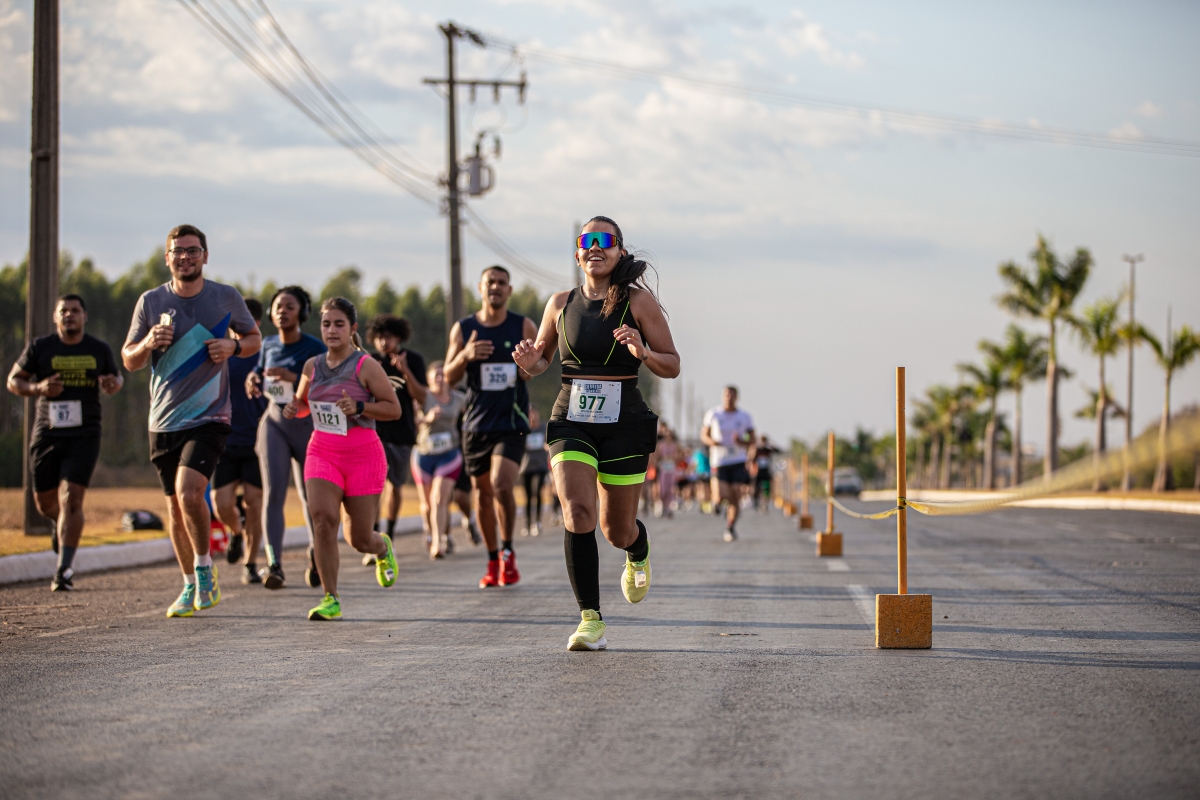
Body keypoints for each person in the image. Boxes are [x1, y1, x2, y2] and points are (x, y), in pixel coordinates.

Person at [513, 216, 680, 651]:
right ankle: (590, 619)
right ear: (577, 254)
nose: (595, 247)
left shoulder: (638, 303)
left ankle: (637, 549)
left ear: (619, 251)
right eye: (587, 240)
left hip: (624, 422)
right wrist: (528, 363)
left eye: (605, 240)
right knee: (577, 511)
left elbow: (672, 364)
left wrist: (643, 352)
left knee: (615, 530)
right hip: (572, 417)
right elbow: (540, 363)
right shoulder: (559, 304)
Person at [122, 224, 261, 617]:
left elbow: (254, 340)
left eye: (192, 250)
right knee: (174, 508)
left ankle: (204, 568)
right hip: (163, 419)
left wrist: (232, 345)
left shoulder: (224, 297)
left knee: (189, 493)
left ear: (205, 255)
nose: (185, 257)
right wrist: (147, 342)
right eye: (178, 251)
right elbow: (129, 359)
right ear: (167, 258)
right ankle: (188, 586)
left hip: (210, 414)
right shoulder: (150, 302)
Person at [282, 297, 401, 621]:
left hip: (364, 456)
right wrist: (294, 408)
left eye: (339, 324)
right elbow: (303, 404)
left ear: (352, 329)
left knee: (358, 538)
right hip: (322, 452)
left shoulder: (366, 366)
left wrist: (360, 407)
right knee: (322, 521)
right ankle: (330, 598)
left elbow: (393, 409)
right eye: (326, 324)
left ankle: (381, 547)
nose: (331, 330)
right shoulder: (312, 366)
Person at [7, 294, 123, 591]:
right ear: (55, 317)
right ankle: (59, 525)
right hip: (47, 432)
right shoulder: (40, 347)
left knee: (72, 498)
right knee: (45, 503)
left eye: (75, 310)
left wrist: (112, 384)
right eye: (64, 311)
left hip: (85, 434)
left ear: (85, 316)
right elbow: (13, 381)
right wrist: (39, 388)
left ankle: (64, 570)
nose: (69, 315)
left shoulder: (98, 349)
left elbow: (116, 378)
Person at [444, 266, 537, 589]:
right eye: (490, 283)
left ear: (509, 290)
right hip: (476, 424)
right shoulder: (464, 329)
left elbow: (534, 369)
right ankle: (493, 559)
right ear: (480, 289)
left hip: (511, 422)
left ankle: (508, 552)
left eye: (501, 283)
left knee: (501, 485)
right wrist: (465, 355)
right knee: (483, 495)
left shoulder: (522, 325)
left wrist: (527, 366)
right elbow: (448, 377)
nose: (495, 287)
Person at [245, 286, 326, 590]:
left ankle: (317, 554)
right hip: (275, 424)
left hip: (307, 427)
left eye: (290, 306)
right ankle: (274, 564)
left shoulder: (314, 346)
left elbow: (327, 384)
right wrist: (253, 378)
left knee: (309, 496)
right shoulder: (267, 344)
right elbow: (257, 371)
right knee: (273, 494)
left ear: (302, 312)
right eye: (278, 306)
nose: (283, 311)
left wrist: (295, 378)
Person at [212, 297, 269, 584]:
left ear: (254, 323)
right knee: (221, 503)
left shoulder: (267, 355)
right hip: (225, 438)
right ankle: (236, 532)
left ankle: (251, 563)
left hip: (258, 442)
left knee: (254, 504)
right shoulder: (221, 353)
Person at [366, 314, 427, 547]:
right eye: (380, 337)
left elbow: (421, 397)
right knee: (374, 485)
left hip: (403, 433)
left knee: (395, 486)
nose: (384, 342)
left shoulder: (414, 359)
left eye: (389, 337)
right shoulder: (369, 361)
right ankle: (373, 534)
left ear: (399, 337)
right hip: (375, 432)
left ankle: (389, 534)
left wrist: (405, 370)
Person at [411, 361, 466, 559]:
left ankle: (438, 542)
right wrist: (427, 419)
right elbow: (412, 421)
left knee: (439, 499)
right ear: (429, 380)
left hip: (449, 454)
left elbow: (471, 415)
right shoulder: (422, 397)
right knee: (426, 504)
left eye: (443, 375)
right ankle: (429, 530)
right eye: (436, 376)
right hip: (424, 454)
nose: (440, 379)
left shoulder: (458, 398)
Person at [701, 386, 755, 542]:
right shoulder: (714, 414)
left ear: (737, 397)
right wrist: (712, 442)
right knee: (721, 495)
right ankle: (717, 503)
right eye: (726, 395)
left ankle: (730, 527)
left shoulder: (744, 416)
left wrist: (741, 441)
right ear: (722, 396)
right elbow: (704, 435)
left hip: (738, 460)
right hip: (719, 460)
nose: (729, 398)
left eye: (732, 395)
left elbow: (753, 439)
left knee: (736, 495)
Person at [519, 405, 549, 536]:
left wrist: (547, 446)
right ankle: (527, 524)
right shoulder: (524, 430)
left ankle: (537, 522)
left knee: (537, 492)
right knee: (527, 496)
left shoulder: (544, 428)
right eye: (529, 414)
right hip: (526, 467)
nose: (532, 416)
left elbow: (549, 443)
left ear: (538, 414)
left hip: (540, 466)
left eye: (534, 413)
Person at [750, 435, 778, 513]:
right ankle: (755, 500)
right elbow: (751, 459)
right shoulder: (757, 449)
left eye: (764, 441)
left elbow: (777, 450)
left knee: (767, 487)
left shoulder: (767, 450)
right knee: (755, 487)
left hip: (766, 471)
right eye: (762, 441)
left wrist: (771, 444)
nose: (763, 443)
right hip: (758, 471)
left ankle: (765, 503)